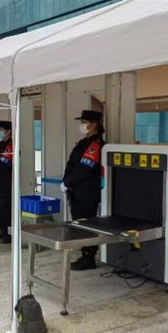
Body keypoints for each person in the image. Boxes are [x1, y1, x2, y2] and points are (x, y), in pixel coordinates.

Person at [61, 110, 106, 270]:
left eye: (84, 122)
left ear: (94, 124)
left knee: (87, 224)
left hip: (87, 192)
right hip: (78, 190)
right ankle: (84, 254)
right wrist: (67, 182)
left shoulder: (96, 145)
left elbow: (84, 168)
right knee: (80, 223)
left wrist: (67, 182)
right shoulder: (84, 142)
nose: (82, 125)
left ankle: (89, 257)